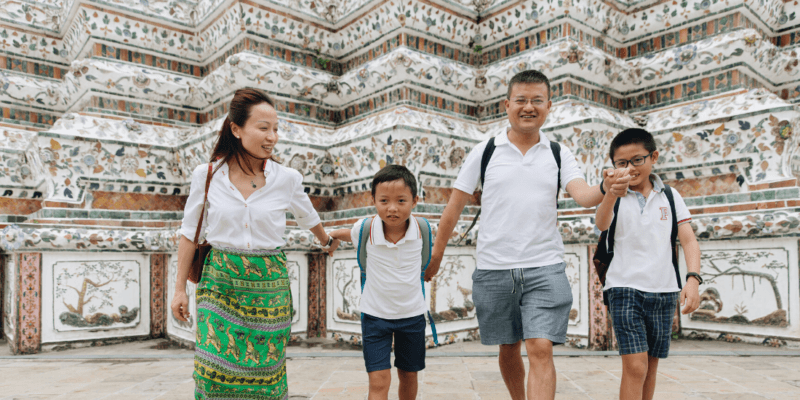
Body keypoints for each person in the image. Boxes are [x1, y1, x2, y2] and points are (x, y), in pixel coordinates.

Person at [427, 70, 629, 400]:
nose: (528, 107)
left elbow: (583, 194)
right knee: (508, 348)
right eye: (521, 100)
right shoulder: (485, 151)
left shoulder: (558, 153)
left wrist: (606, 187)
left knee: (540, 347)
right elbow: (453, 209)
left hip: (544, 268)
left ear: (549, 106)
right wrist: (437, 254)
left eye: (537, 100)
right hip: (494, 269)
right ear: (507, 104)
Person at [170, 88, 339, 400]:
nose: (272, 137)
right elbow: (190, 231)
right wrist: (180, 288)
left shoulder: (286, 178)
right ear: (236, 129)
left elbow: (307, 215)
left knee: (264, 371)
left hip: (268, 286)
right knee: (215, 370)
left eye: (275, 129)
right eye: (263, 128)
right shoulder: (207, 175)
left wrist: (326, 240)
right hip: (219, 282)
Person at [595, 128, 701, 400]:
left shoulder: (670, 197)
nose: (630, 168)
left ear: (653, 157)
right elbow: (601, 224)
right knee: (635, 365)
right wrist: (610, 193)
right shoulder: (615, 196)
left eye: (637, 160)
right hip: (623, 288)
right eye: (622, 163)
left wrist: (692, 279)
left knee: (650, 366)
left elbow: (688, 241)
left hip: (664, 291)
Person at [328, 165, 429, 400]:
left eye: (401, 201)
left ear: (415, 201)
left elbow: (437, 250)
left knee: (408, 375)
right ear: (373, 199)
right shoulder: (365, 229)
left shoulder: (423, 231)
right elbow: (346, 233)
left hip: (412, 316)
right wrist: (330, 237)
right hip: (375, 318)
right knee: (378, 379)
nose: (392, 208)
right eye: (384, 200)